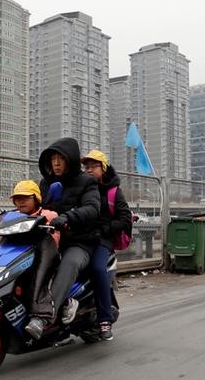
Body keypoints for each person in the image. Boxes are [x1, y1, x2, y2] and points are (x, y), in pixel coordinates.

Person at [25, 138, 100, 339]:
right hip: (52, 238)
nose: (56, 163)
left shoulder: (87, 182)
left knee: (69, 263)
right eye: (53, 159)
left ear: (71, 160)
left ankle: (43, 317)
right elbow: (37, 207)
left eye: (60, 159)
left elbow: (92, 208)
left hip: (79, 241)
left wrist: (68, 217)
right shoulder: (46, 183)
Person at [81, 149, 133, 341]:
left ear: (103, 168)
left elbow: (125, 219)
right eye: (86, 167)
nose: (88, 170)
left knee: (97, 269)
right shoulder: (81, 188)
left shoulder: (113, 191)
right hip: (81, 238)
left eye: (93, 166)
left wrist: (105, 229)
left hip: (102, 240)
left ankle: (104, 320)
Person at [9, 180, 60, 330]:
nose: (21, 202)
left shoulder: (48, 215)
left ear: (36, 198)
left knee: (39, 274)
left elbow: (55, 222)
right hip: (22, 259)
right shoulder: (13, 216)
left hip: (46, 258)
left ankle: (41, 315)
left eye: (25, 198)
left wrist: (58, 221)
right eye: (17, 198)